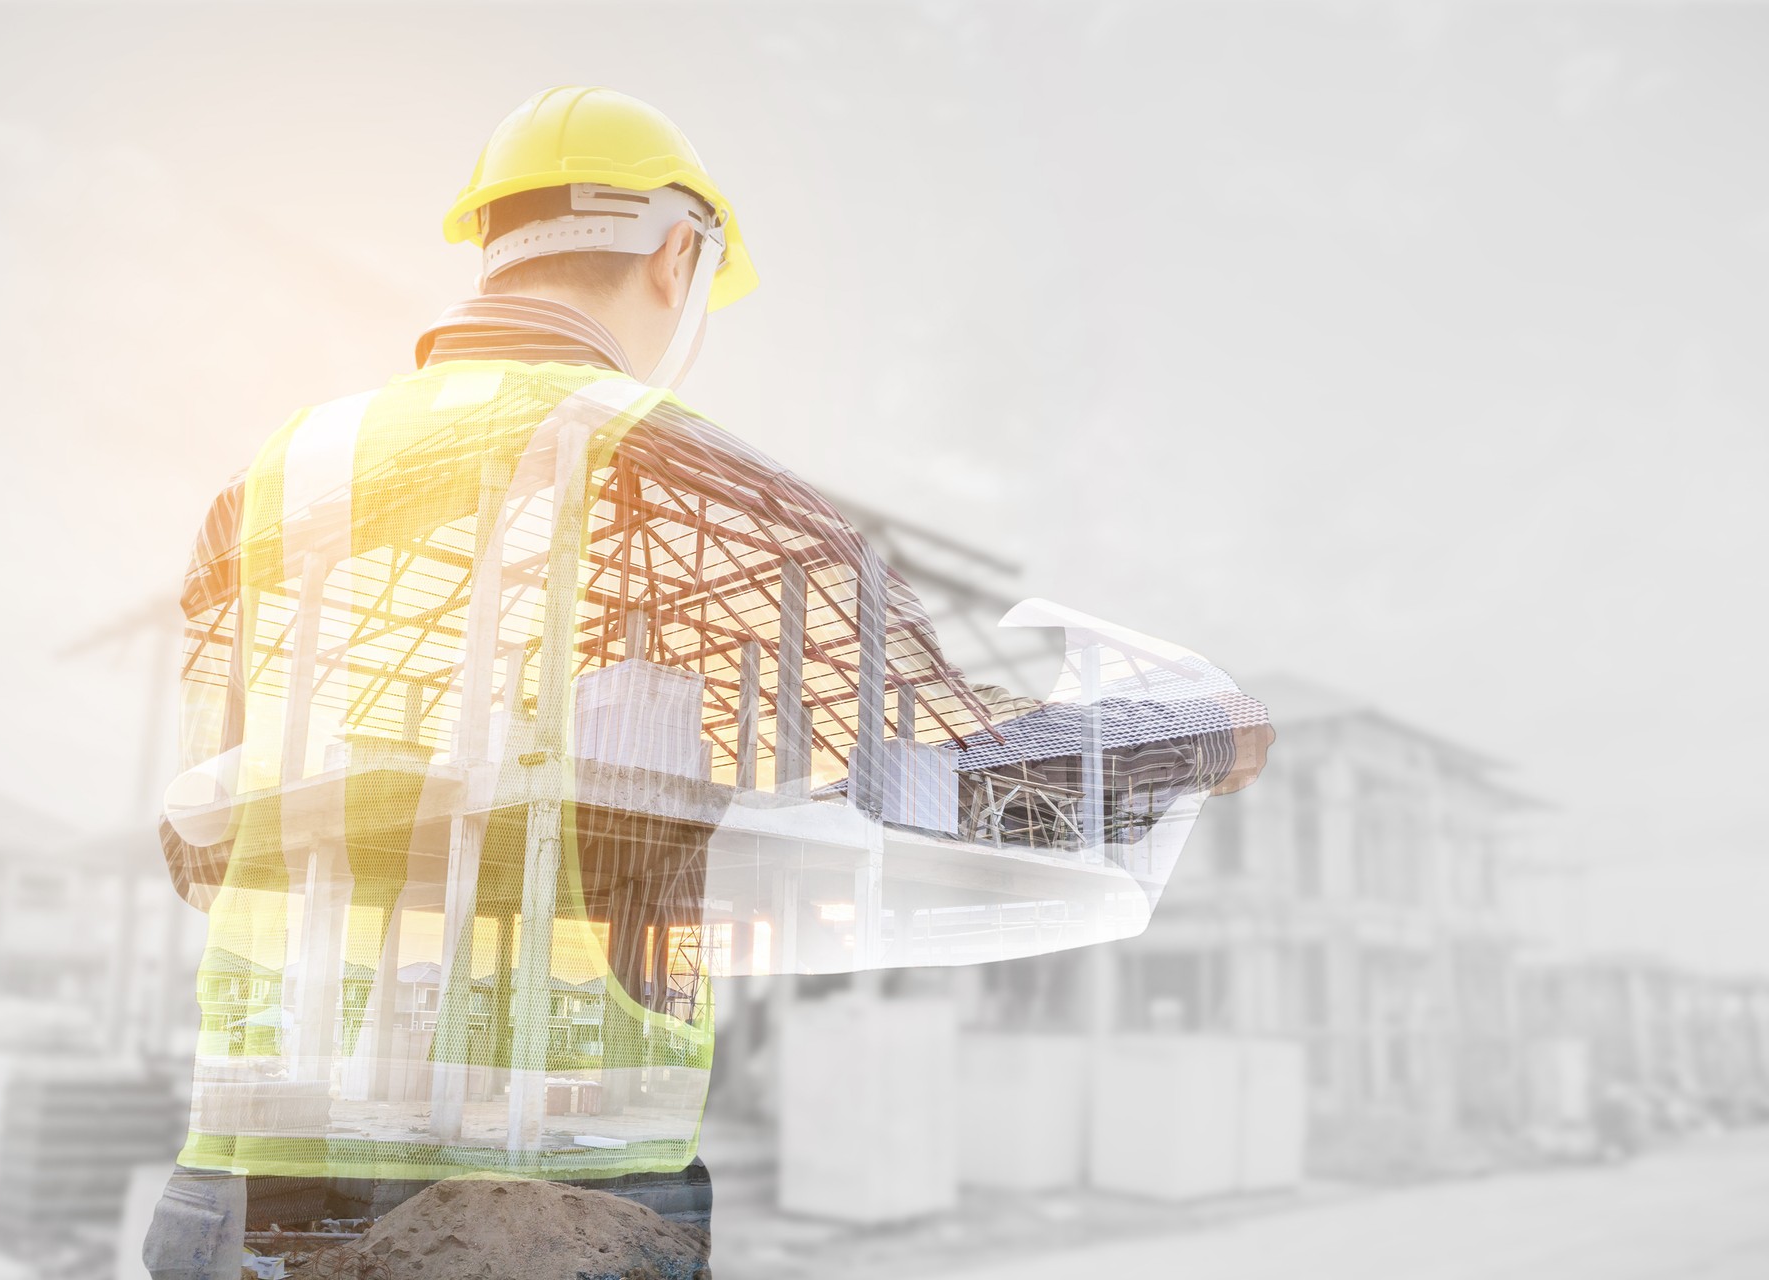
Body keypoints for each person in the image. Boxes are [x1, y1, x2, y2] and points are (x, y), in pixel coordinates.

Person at [146, 85, 1270, 1276]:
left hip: (229, 1195)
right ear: (677, 253)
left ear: (486, 243)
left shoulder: (275, 481)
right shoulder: (688, 473)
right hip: (536, 1219)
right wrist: (1203, 731)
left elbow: (198, 847)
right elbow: (939, 779)